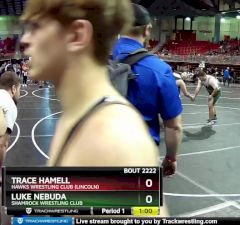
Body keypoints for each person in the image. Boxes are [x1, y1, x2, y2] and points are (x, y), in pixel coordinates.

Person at [20, 0, 170, 211]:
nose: (24, 40)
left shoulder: (111, 138)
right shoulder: (79, 117)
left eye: (35, 27)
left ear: (77, 35)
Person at [112, 4, 183, 177]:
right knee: (142, 204)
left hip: (96, 153)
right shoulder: (160, 70)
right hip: (138, 157)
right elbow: (174, 127)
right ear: (147, 29)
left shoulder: (97, 59)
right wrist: (171, 158)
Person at [0, 72, 20, 174]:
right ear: (13, 88)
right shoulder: (9, 105)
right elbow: (2, 143)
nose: (19, 94)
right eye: (19, 89)